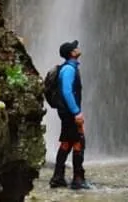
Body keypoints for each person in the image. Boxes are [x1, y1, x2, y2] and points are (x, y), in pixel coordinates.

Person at [49, 40, 90, 190]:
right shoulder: (69, 69)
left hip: (66, 112)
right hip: (70, 113)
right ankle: (77, 179)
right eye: (75, 47)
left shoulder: (69, 68)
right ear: (72, 53)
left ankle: (58, 177)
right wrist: (76, 112)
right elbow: (67, 92)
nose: (78, 48)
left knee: (67, 142)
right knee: (79, 141)